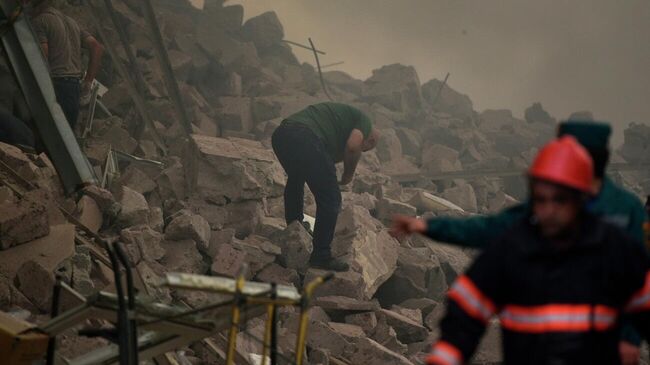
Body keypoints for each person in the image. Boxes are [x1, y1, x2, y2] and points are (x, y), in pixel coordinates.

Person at [392, 120, 648, 362]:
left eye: (559, 200)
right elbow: (468, 308)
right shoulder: (513, 245)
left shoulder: (617, 244)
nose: (548, 210)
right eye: (541, 199)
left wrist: (629, 339)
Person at [272, 102, 379, 271]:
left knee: (296, 179)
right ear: (370, 140)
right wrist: (347, 175)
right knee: (331, 198)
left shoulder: (335, 127)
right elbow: (353, 146)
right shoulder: (364, 122)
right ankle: (321, 256)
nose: (362, 152)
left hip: (281, 135)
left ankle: (295, 228)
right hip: (304, 136)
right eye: (365, 150)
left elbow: (323, 158)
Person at [29, 0, 103, 129]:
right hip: (74, 88)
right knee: (65, 136)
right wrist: (88, 82)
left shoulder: (40, 21)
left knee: (46, 136)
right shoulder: (72, 22)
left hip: (55, 87)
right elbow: (96, 47)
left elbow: (42, 59)